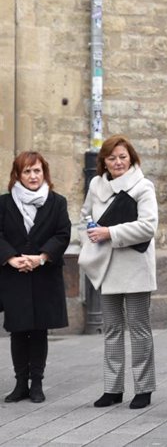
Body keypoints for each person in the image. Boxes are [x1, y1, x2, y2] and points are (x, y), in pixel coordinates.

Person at [78, 135, 158, 409]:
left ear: (132, 158)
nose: (117, 162)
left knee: (138, 329)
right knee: (111, 329)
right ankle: (112, 389)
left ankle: (144, 388)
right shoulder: (96, 185)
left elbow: (148, 226)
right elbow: (84, 215)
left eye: (123, 156)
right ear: (104, 161)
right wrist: (89, 233)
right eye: (111, 157)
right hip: (106, 265)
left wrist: (109, 232)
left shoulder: (143, 186)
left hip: (135, 266)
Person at [0, 152, 70, 403]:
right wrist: (11, 258)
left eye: (37, 171)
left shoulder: (57, 202)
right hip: (14, 275)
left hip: (44, 274)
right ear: (17, 175)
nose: (33, 176)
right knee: (18, 330)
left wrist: (40, 258)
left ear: (44, 173)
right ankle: (20, 383)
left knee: (39, 330)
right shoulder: (4, 203)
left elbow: (62, 235)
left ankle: (37, 383)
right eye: (27, 171)